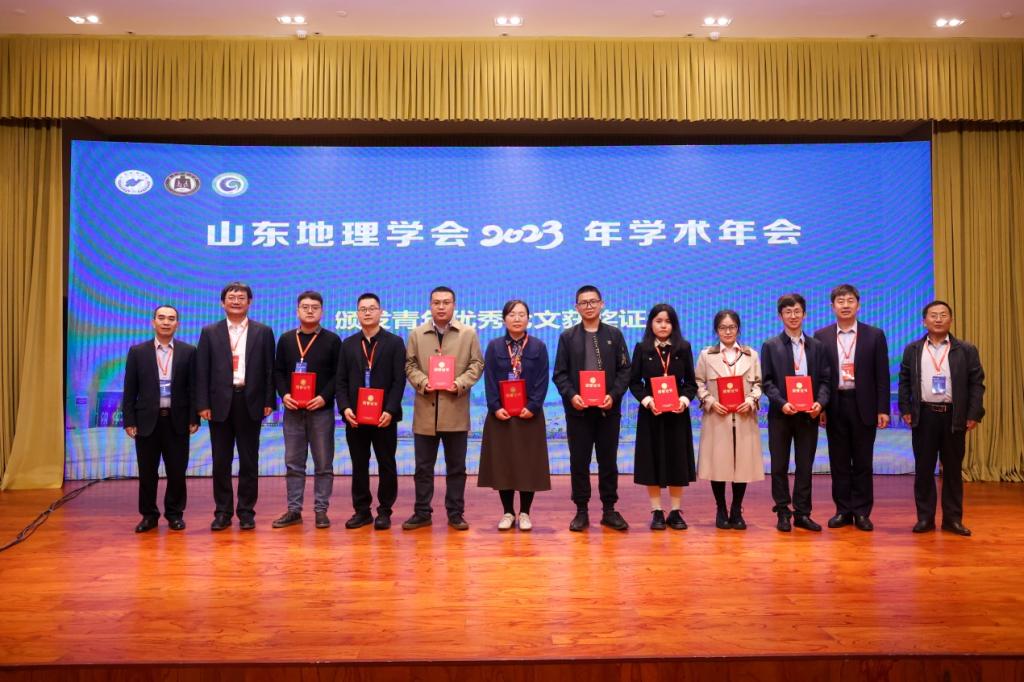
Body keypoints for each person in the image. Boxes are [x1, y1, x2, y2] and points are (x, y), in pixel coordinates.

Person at [898, 300, 985, 536]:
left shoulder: (965, 349)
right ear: (924, 321)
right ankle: (925, 518)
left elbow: (976, 384)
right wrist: (905, 409)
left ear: (951, 320)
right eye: (933, 315)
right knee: (924, 470)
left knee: (953, 470)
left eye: (943, 315)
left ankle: (952, 519)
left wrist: (973, 413)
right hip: (924, 416)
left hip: (953, 416)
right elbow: (904, 381)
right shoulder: (913, 349)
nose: (938, 319)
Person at [196, 282, 276, 531]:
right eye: (231, 297)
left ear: (250, 302)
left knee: (249, 460)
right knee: (221, 460)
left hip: (250, 401)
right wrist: (203, 403)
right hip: (219, 403)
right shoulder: (210, 332)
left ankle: (246, 512)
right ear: (223, 303)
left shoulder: (263, 332)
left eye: (241, 297)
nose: (236, 301)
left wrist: (268, 401)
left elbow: (269, 369)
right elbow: (202, 370)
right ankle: (222, 512)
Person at [403, 286, 484, 531]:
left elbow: (477, 364)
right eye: (436, 302)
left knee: (456, 468)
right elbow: (409, 365)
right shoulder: (417, 334)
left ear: (454, 305)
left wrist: (459, 383)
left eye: (446, 302)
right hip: (425, 412)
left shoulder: (467, 333)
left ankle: (455, 513)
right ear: (430, 305)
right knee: (423, 468)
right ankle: (422, 512)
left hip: (455, 411)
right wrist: (422, 382)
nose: (441, 307)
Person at [553, 285, 632, 532]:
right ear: (576, 307)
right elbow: (560, 374)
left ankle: (609, 510)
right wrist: (572, 396)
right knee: (579, 462)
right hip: (578, 412)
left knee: (608, 461)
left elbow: (625, 370)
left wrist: (613, 395)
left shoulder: (614, 335)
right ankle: (581, 511)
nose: (588, 306)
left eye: (593, 301)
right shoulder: (567, 337)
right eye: (583, 302)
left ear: (601, 304)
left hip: (608, 410)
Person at [813, 284, 890, 532]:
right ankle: (843, 510)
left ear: (858, 305)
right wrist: (821, 406)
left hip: (864, 404)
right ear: (832, 306)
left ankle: (862, 512)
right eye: (840, 301)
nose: (845, 305)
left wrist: (883, 409)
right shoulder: (821, 336)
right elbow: (819, 376)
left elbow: (882, 375)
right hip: (835, 404)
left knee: (863, 461)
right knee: (839, 462)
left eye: (850, 301)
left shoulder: (874, 335)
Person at [122, 305, 199, 532]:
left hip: (177, 421)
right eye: (162, 318)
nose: (166, 322)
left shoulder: (188, 351)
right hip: (147, 421)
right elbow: (130, 389)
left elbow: (193, 388)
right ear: (153, 322)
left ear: (177, 324)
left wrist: (194, 417)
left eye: (171, 319)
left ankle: (174, 514)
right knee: (147, 473)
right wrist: (129, 420)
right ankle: (149, 516)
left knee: (177, 472)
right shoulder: (138, 352)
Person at [478, 299, 551, 531]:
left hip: (529, 415)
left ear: (528, 319)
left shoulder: (538, 347)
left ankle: (525, 512)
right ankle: (508, 512)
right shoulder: (495, 347)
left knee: (528, 464)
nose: (517, 318)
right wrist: (495, 406)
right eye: (512, 314)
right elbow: (489, 378)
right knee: (504, 464)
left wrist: (533, 406)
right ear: (504, 319)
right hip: (502, 416)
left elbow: (542, 380)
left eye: (521, 314)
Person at [271, 291, 341, 530]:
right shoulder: (286, 339)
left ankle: (321, 511)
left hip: (321, 411)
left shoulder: (332, 340)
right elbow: (278, 372)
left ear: (322, 311)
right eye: (305, 307)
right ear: (297, 311)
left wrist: (323, 397)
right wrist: (284, 395)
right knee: (293, 463)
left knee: (323, 464)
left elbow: (338, 375)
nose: (310, 311)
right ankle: (294, 510)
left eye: (315, 307)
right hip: (292, 411)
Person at [336, 293, 407, 531]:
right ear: (357, 313)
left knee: (386, 464)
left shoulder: (395, 343)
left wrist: (390, 410)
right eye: (363, 309)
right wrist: (345, 408)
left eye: (372, 308)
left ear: (381, 312)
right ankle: (362, 511)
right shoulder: (348, 344)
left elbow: (399, 381)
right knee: (359, 464)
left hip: (384, 417)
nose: (367, 312)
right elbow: (341, 381)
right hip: (355, 417)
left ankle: (384, 511)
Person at [761, 293, 830, 533]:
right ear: (780, 316)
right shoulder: (771, 346)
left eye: (797, 311)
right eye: (788, 312)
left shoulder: (817, 347)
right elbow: (767, 382)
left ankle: (802, 513)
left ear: (804, 314)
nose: (793, 316)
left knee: (805, 466)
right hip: (781, 415)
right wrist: (781, 403)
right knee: (779, 466)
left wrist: (820, 403)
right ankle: (782, 511)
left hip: (808, 416)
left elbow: (825, 380)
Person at [628, 303, 697, 531]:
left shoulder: (683, 348)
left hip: (677, 415)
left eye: (668, 321)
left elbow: (691, 383)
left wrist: (683, 401)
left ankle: (675, 511)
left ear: (674, 325)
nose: (663, 325)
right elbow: (634, 382)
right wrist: (649, 401)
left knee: (677, 461)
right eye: (658, 321)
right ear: (651, 324)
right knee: (652, 462)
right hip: (652, 414)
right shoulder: (642, 348)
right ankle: (657, 511)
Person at [695, 309, 764, 531]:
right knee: (718, 464)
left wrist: (751, 401)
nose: (727, 331)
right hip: (718, 416)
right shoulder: (707, 355)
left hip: (743, 417)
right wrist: (710, 401)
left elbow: (759, 384)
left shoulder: (751, 355)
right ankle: (721, 509)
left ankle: (736, 509)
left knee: (741, 465)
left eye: (732, 327)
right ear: (716, 330)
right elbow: (698, 383)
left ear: (738, 329)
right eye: (723, 328)